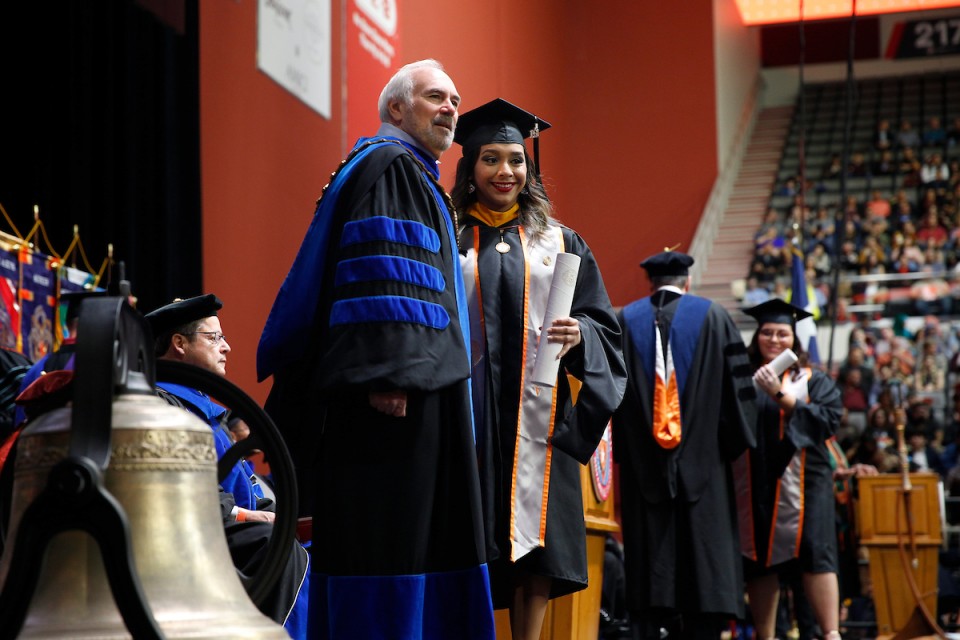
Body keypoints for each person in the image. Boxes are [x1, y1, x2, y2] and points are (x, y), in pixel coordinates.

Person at [256, 59, 495, 639]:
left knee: (407, 536)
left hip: (408, 382)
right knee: (392, 537)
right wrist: (389, 373)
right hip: (396, 391)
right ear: (396, 109)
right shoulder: (393, 167)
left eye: (455, 98)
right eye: (435, 96)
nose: (450, 108)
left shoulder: (397, 167)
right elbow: (385, 275)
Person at [449, 98, 626, 640]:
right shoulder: (448, 237)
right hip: (469, 413)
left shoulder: (559, 240)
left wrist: (582, 336)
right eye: (491, 160)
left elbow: (603, 324)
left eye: (516, 160)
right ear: (470, 168)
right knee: (468, 530)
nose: (506, 172)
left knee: (539, 540)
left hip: (538, 413)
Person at [146, 294, 309, 638]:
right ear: (179, 343)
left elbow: (246, 486)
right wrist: (256, 517)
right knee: (273, 546)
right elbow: (190, 494)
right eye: (214, 337)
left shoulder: (204, 409)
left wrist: (272, 513)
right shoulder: (159, 406)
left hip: (234, 533)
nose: (227, 347)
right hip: (198, 538)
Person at [613, 249, 757, 639]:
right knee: (703, 562)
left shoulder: (625, 320)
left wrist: (632, 452)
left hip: (645, 472)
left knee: (652, 568)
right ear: (686, 282)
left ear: (651, 283)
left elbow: (613, 394)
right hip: (704, 467)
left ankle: (652, 625)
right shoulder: (714, 317)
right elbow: (737, 396)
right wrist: (720, 448)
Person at [734, 299, 844, 640]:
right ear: (757, 337)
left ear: (794, 339)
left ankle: (830, 633)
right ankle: (765, 636)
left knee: (815, 552)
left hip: (807, 484)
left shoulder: (813, 379)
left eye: (782, 333)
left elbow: (827, 421)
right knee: (759, 557)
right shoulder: (742, 379)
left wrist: (780, 394)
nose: (775, 339)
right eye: (767, 332)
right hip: (756, 481)